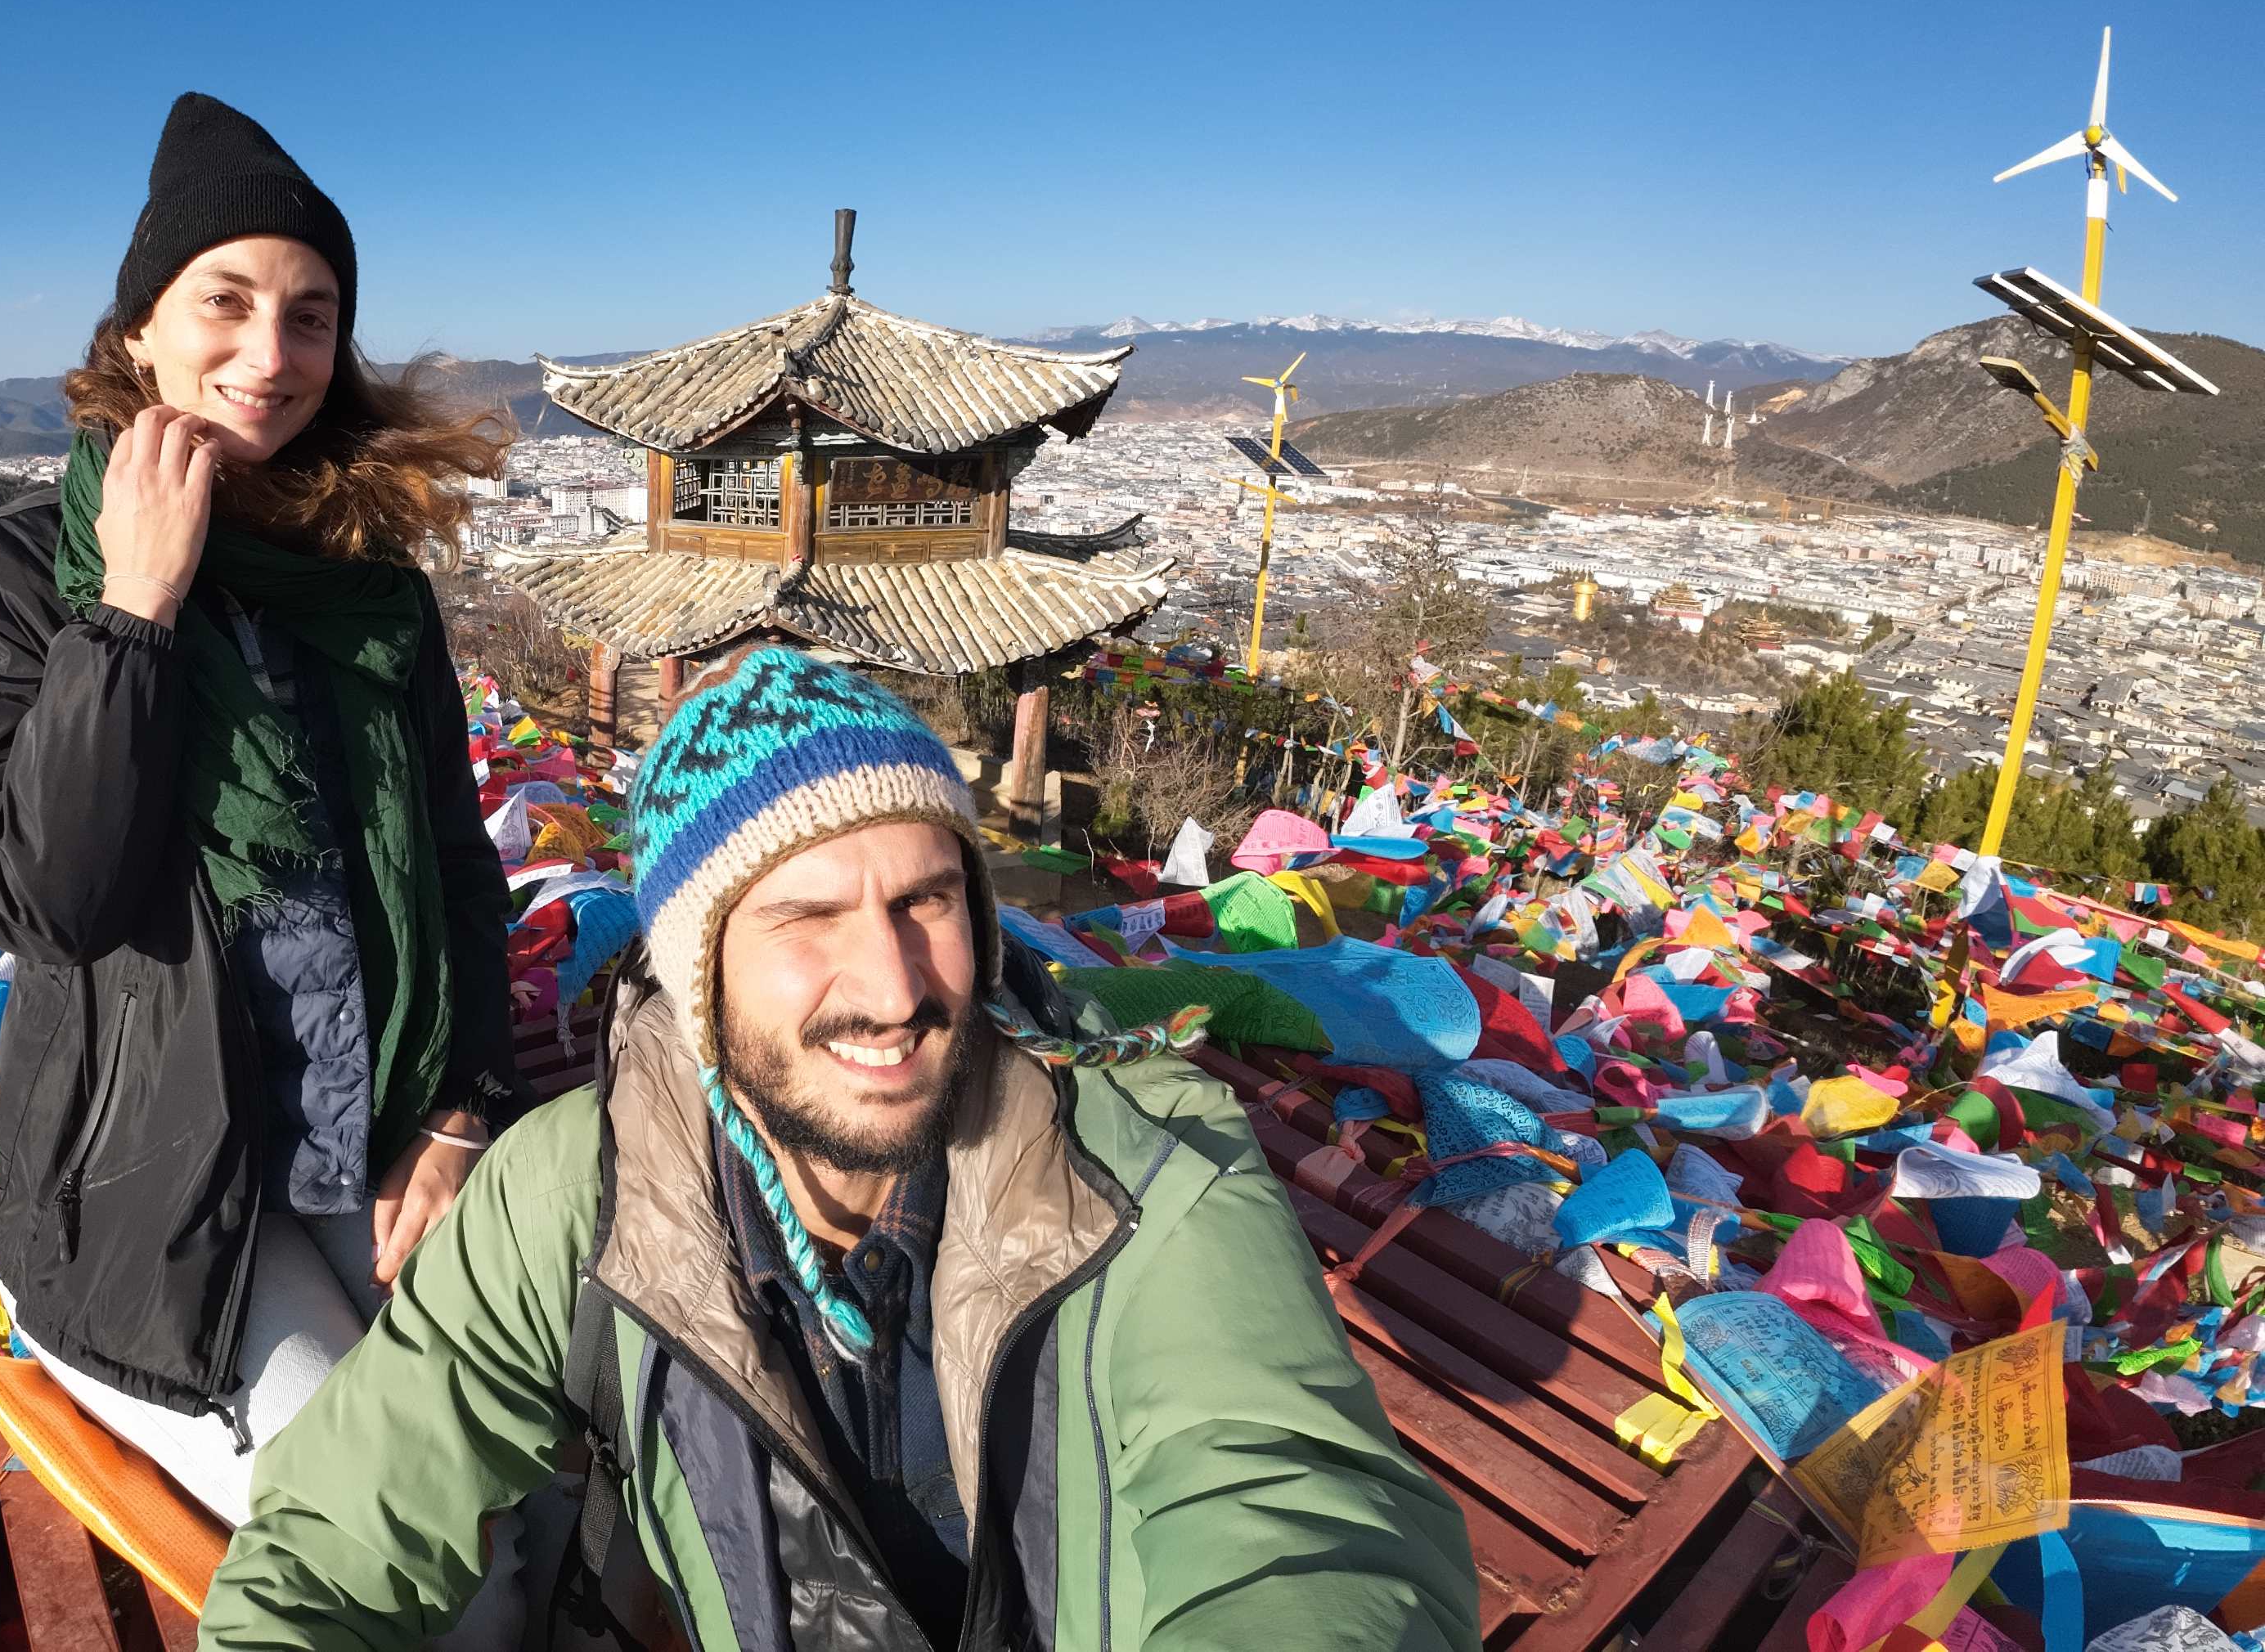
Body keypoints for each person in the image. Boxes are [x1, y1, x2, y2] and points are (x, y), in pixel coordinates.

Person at [200, 648, 1483, 1652]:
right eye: (808, 915)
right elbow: (329, 1540)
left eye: (926, 899)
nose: (892, 980)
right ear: (699, 974)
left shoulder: (1144, 1169)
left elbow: (1298, 1525)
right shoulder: (579, 1191)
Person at [0, 92, 528, 1602]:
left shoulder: (366, 581)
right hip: (153, 1195)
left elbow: (455, 860)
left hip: (367, 1129)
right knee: (405, 1538)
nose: (272, 352)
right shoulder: (9, 573)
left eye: (311, 315)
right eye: (229, 301)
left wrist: (458, 1112)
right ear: (140, 331)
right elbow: (43, 899)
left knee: (539, 1486)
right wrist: (131, 612)